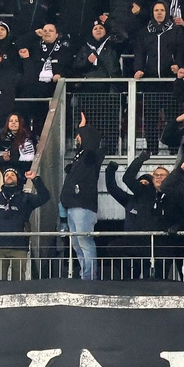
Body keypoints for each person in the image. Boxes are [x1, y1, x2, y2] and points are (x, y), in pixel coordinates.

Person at [0, 167, 50, 281]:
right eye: (6, 175)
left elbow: (44, 197)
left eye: (12, 174)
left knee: (18, 283)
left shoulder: (25, 198)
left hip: (19, 247)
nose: (9, 176)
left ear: (18, 179)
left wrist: (35, 179)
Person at [60, 114, 104, 280]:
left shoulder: (91, 156)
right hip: (72, 206)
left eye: (79, 136)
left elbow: (91, 145)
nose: (77, 138)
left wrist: (83, 128)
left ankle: (89, 277)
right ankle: (85, 274)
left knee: (85, 242)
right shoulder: (81, 157)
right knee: (77, 244)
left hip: (83, 207)